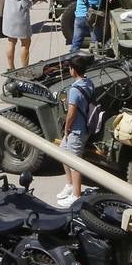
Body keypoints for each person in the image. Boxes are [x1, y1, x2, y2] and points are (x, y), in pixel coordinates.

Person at [56, 56, 94, 207]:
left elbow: (71, 112)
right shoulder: (88, 82)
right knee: (62, 152)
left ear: (74, 70)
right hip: (84, 127)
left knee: (74, 163)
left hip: (77, 131)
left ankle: (76, 195)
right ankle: (70, 184)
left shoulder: (74, 90)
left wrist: (66, 128)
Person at [2, 0, 34, 69]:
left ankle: (11, 68)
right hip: (20, 17)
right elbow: (25, 4)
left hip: (8, 15)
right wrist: (35, 0)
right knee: (25, 44)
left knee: (11, 42)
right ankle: (25, 68)